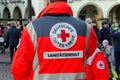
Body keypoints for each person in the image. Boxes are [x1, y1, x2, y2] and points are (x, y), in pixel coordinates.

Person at [11, 0, 104, 80]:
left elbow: (19, 69)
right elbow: (90, 55)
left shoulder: (32, 28)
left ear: (47, 1)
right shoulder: (86, 29)